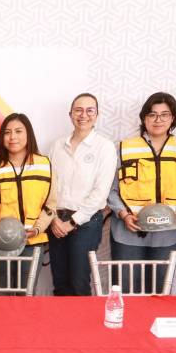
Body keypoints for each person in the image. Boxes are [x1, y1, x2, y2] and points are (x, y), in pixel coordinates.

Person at [107, 92, 176, 293]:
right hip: (128, 231)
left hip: (168, 233)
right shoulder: (124, 148)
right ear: (144, 118)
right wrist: (124, 214)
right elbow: (111, 190)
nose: (158, 120)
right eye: (152, 114)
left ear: (173, 118)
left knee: (160, 293)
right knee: (125, 290)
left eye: (164, 114)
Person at [45, 93, 118, 296]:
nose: (83, 115)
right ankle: (61, 327)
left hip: (85, 223)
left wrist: (73, 222)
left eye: (89, 110)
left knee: (79, 283)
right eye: (78, 110)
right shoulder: (57, 145)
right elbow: (48, 187)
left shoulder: (105, 147)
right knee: (60, 282)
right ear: (70, 114)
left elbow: (100, 193)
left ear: (97, 115)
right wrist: (52, 220)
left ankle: (79, 327)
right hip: (56, 221)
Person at [0, 113, 56, 291]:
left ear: (28, 134)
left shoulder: (44, 164)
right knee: (1, 296)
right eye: (7, 132)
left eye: (18, 131)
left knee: (26, 296)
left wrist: (37, 228)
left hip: (32, 242)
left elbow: (51, 205)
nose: (12, 137)